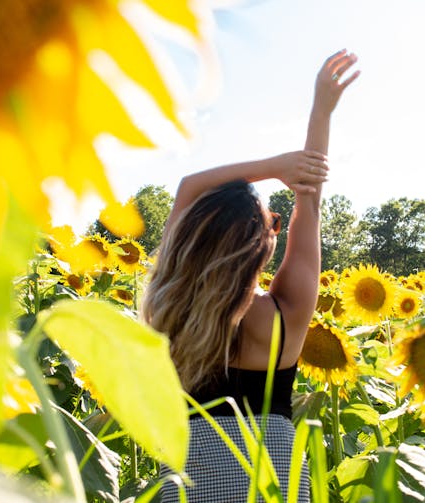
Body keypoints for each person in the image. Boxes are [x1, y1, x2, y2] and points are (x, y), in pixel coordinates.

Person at [141, 49, 359, 502]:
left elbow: (188, 188)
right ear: (260, 243)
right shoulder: (284, 318)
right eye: (273, 222)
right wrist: (321, 111)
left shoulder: (167, 310)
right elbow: (311, 205)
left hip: (190, 489)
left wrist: (269, 167)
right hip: (277, 485)